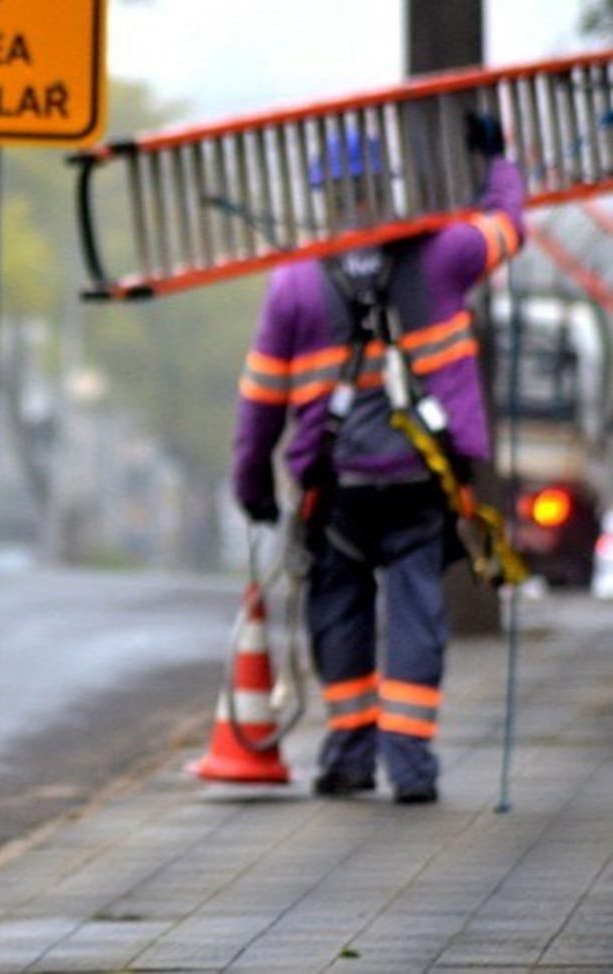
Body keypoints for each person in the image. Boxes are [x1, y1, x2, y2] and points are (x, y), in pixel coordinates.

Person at [231, 115, 525, 805]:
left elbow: (261, 402)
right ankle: (412, 765)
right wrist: (496, 161)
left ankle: (349, 755)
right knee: (419, 611)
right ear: (382, 188)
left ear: (324, 199)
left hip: (334, 488)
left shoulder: (296, 285)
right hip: (422, 478)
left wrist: (253, 488)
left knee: (339, 613)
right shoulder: (442, 252)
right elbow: (507, 227)